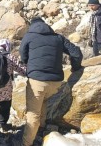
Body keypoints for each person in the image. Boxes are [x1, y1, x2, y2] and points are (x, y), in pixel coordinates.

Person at [17, 17, 83, 146]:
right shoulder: (57, 37)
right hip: (56, 82)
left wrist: (30, 64)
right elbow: (76, 53)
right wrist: (75, 68)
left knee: (33, 114)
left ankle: (26, 143)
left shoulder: (29, 36)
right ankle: (41, 129)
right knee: (44, 101)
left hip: (37, 80)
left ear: (32, 25)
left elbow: (23, 56)